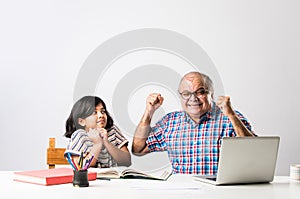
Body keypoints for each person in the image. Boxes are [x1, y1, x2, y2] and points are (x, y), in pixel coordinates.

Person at [132, 71, 256, 175]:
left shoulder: (229, 117)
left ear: (211, 94)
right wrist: (149, 111)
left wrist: (232, 116)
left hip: (218, 193)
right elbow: (138, 148)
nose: (193, 98)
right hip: (180, 193)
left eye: (200, 92)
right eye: (186, 94)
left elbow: (254, 153)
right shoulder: (169, 122)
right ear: (180, 96)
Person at [64, 95, 131, 168]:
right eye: (94, 113)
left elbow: (127, 161)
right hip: (90, 178)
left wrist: (106, 142)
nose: (101, 115)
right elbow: (80, 167)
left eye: (103, 111)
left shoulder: (113, 131)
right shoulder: (80, 135)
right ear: (81, 121)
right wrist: (97, 144)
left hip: (114, 177)